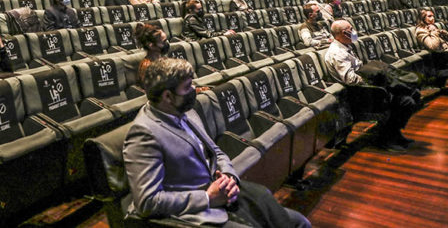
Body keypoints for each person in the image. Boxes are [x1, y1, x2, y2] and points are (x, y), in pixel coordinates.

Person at [123, 58, 310, 227]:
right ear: (167, 96)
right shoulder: (144, 134)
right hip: (195, 212)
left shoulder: (187, 111)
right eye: (187, 87)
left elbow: (215, 151)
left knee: (298, 222)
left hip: (222, 193)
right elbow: (147, 202)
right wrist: (207, 197)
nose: (195, 89)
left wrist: (228, 176)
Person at [325, 20, 420, 151]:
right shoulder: (337, 53)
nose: (354, 32)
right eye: (351, 29)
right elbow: (350, 79)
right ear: (343, 33)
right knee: (406, 101)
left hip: (367, 89)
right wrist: (371, 79)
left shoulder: (345, 46)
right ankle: (385, 139)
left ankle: (395, 133)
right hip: (358, 93)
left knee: (413, 95)